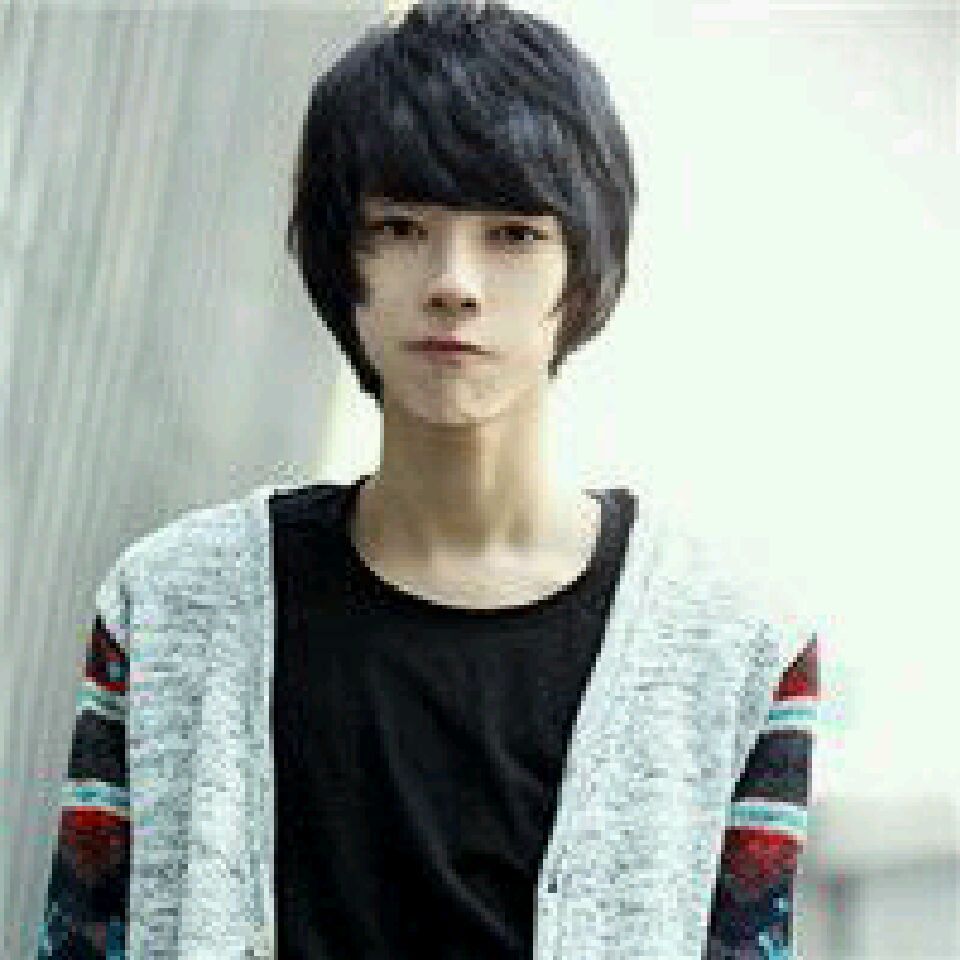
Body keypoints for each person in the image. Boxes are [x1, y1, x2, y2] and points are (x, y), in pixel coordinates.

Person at [35, 2, 819, 958]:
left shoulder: (736, 647)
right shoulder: (167, 605)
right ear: (342, 259)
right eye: (401, 227)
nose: (454, 281)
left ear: (582, 268)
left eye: (513, 234)